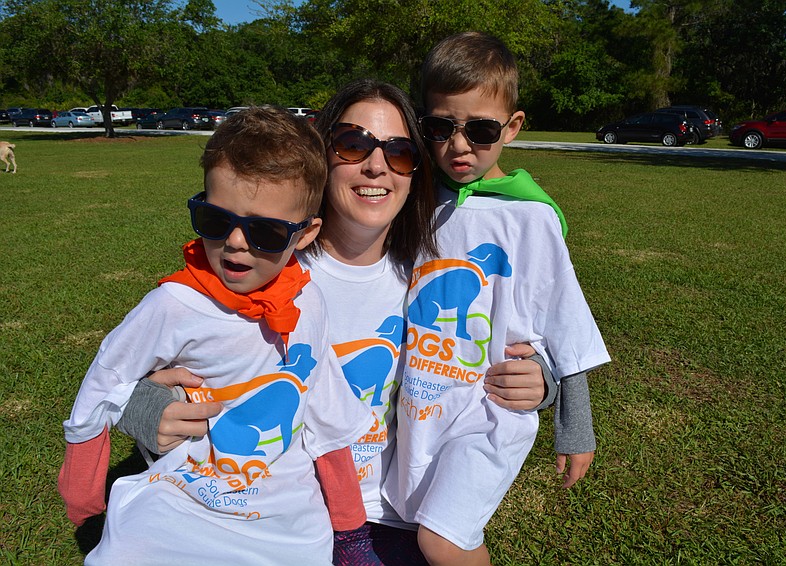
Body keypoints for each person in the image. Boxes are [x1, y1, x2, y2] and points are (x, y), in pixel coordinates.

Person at [118, 80, 553, 565]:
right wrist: (147, 406)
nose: (376, 165)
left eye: (400, 152)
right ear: (320, 158)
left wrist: (540, 380)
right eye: (353, 143)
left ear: (416, 174)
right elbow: (146, 359)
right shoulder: (267, 266)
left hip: (392, 512)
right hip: (275, 511)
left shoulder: (428, 274)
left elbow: (499, 345)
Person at [58, 106, 374, 565]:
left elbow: (327, 408)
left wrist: (349, 526)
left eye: (265, 230)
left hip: (285, 508)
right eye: (215, 220)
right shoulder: (173, 304)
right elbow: (104, 381)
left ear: (305, 235)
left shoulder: (308, 301)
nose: (236, 242)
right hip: (184, 493)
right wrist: (84, 495)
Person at [381, 31, 611, 566]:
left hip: (491, 411)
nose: (458, 146)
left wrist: (573, 427)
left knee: (443, 539)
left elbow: (565, 327)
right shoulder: (415, 201)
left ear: (512, 127)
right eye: (440, 127)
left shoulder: (531, 218)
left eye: (481, 130)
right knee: (416, 521)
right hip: (421, 407)